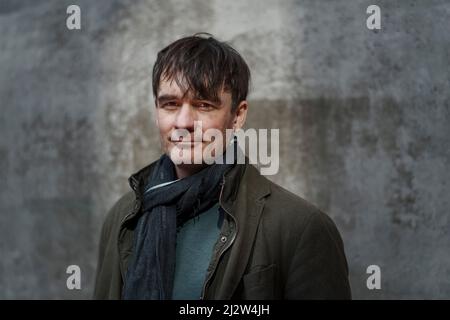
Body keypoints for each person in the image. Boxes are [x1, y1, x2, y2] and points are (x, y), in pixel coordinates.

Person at [93, 33, 351, 300]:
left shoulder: (300, 227)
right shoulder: (123, 217)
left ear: (237, 116)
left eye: (203, 105)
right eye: (170, 104)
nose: (183, 122)